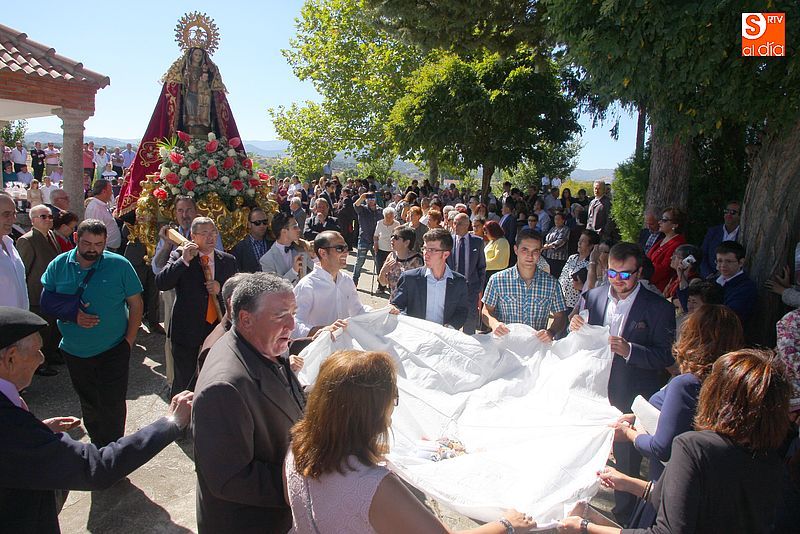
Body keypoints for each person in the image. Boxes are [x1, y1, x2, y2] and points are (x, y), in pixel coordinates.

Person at [285, 349, 536, 534]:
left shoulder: (297, 448)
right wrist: (507, 525)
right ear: (372, 411)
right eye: (393, 398)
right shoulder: (376, 485)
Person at [0, 306, 194, 533]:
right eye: (36, 351)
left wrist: (38, 431)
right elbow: (96, 467)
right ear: (11, 357)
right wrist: (171, 423)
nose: (42, 359)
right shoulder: (10, 428)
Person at [560, 348, 791, 534]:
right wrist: (628, 483)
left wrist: (586, 527)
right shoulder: (773, 461)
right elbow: (687, 502)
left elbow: (668, 529)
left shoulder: (694, 447)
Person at [607, 305, 744, 527]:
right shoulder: (726, 381)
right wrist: (638, 417)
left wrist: (630, 435)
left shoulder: (687, 383)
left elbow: (662, 447)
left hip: (666, 488)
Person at [569, 242, 676, 525]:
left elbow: (664, 355)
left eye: (626, 275)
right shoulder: (592, 296)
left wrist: (629, 350)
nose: (618, 281)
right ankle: (579, 507)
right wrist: (575, 325)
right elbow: (576, 330)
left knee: (627, 460)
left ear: (639, 272)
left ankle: (626, 516)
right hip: (592, 390)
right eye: (613, 274)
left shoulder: (658, 308)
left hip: (632, 392)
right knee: (585, 449)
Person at [193, 272, 306, 533]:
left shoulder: (260, 343)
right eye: (280, 315)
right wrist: (309, 484)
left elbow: (287, 393)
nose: (292, 324)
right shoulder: (224, 388)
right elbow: (231, 479)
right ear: (246, 319)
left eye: (293, 312)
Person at [40, 219, 143, 447]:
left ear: (106, 243)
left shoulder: (120, 265)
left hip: (114, 348)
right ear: (76, 239)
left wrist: (129, 340)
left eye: (98, 244)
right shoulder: (59, 264)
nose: (92, 249)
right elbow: (46, 301)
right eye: (87, 243)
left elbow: (136, 304)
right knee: (90, 403)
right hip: (75, 350)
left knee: (113, 404)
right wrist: (73, 315)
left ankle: (114, 452)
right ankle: (98, 447)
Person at [155, 217, 237, 396]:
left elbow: (237, 292)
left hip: (216, 327)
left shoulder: (227, 260)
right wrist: (184, 260)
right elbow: (162, 283)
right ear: (193, 236)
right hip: (187, 328)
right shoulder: (180, 255)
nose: (210, 237)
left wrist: (220, 287)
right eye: (204, 233)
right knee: (185, 380)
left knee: (214, 374)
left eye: (213, 233)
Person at [482, 228, 568, 340]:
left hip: (535, 347)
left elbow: (560, 316)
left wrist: (551, 332)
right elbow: (486, 310)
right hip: (505, 345)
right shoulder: (497, 280)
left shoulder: (552, 284)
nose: (530, 256)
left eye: (535, 251)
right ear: (516, 250)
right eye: (525, 250)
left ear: (540, 252)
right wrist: (494, 324)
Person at [293, 231, 369, 338]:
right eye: (339, 248)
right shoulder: (306, 286)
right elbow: (294, 324)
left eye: (346, 248)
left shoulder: (346, 280)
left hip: (345, 348)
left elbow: (358, 311)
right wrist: (322, 330)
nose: (346, 253)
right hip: (320, 350)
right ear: (323, 253)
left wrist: (384, 313)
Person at [391, 228, 469, 330]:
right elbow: (397, 305)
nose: (426, 254)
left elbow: (461, 311)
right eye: (424, 249)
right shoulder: (409, 278)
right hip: (415, 336)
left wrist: (450, 328)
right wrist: (400, 314)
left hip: (444, 338)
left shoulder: (459, 282)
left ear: (445, 254)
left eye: (432, 250)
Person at [16, 204, 62, 376]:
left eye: (50, 216)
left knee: (52, 328)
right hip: (37, 294)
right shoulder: (27, 240)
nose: (49, 219)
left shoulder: (51, 235)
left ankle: (51, 355)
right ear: (33, 220)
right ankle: (40, 364)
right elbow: (24, 270)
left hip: (52, 291)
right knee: (42, 331)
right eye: (44, 217)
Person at [448, 212, 486, 334]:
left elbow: (481, 266)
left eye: (459, 224)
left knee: (470, 319)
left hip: (471, 287)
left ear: (467, 225)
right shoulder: (449, 242)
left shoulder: (477, 242)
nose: (455, 226)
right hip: (453, 287)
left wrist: (479, 286)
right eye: (454, 223)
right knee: (452, 318)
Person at [708, 240, 758, 328]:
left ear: (741, 262)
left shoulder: (746, 288)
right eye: (719, 261)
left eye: (729, 261)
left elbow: (728, 316)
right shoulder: (713, 281)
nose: (723, 265)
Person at [260, 212, 312, 284]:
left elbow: (315, 271)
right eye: (295, 227)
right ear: (284, 231)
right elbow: (274, 289)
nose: (299, 229)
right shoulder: (267, 260)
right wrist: (293, 271)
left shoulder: (301, 248)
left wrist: (313, 256)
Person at [645, 206, 687, 292]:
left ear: (675, 225)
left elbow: (664, 269)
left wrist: (644, 273)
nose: (660, 222)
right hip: (648, 282)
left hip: (659, 288)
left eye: (664, 220)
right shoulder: (661, 240)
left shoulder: (678, 244)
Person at [378, 225, 424, 301]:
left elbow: (419, 288)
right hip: (393, 303)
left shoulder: (417, 260)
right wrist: (383, 272)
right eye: (392, 236)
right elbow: (383, 283)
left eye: (396, 237)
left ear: (406, 242)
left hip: (409, 305)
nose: (392, 239)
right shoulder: (391, 256)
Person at [559, 229, 600, 311]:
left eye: (583, 241)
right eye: (579, 240)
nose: (579, 243)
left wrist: (582, 287)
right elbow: (562, 275)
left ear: (591, 246)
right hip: (561, 301)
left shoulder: (591, 264)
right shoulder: (572, 258)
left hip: (575, 305)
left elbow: (594, 287)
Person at [0, 193, 28, 309]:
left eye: (14, 213)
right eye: (6, 214)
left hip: (20, 322)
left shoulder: (10, 244)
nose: (12, 219)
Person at [699, 200, 741, 278]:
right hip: (709, 277)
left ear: (740, 216)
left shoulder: (743, 234)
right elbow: (702, 254)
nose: (728, 215)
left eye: (733, 212)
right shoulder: (713, 232)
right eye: (726, 211)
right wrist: (708, 275)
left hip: (731, 277)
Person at [352, 192, 385, 287]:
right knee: (359, 262)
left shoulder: (380, 211)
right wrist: (362, 197)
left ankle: (381, 284)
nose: (370, 200)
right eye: (368, 198)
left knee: (378, 263)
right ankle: (354, 281)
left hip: (376, 240)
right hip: (364, 239)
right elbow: (356, 205)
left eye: (372, 198)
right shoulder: (362, 209)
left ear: (376, 199)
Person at [231, 207, 273, 273]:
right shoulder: (239, 248)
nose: (262, 225)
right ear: (249, 224)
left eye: (265, 222)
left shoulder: (273, 243)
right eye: (257, 223)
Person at [84, 179, 122, 251]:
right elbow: (95, 232)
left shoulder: (102, 205)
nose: (112, 193)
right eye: (111, 191)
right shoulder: (95, 208)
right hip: (105, 250)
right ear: (104, 192)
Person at [374, 206, 401, 293]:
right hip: (381, 249)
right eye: (387, 216)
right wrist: (375, 243)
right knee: (380, 268)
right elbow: (376, 236)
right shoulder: (380, 223)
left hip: (392, 250)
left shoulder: (397, 224)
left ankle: (390, 285)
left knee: (392, 269)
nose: (389, 218)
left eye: (391, 216)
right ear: (384, 216)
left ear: (394, 216)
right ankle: (381, 286)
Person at [542, 212, 570, 278]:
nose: (556, 221)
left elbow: (560, 241)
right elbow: (547, 239)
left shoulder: (566, 229)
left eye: (558, 219)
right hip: (548, 256)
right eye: (555, 219)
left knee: (556, 276)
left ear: (563, 220)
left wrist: (547, 246)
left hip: (558, 258)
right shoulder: (553, 228)